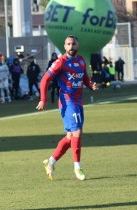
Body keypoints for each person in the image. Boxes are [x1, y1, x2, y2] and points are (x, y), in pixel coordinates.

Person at [37, 35, 98, 181]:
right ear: (64, 46)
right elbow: (45, 79)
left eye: (73, 44)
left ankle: (50, 162)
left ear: (78, 45)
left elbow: (84, 78)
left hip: (78, 102)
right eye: (68, 44)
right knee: (77, 132)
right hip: (67, 101)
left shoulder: (82, 60)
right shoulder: (60, 62)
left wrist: (90, 84)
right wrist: (43, 99)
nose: (71, 47)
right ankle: (78, 167)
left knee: (71, 136)